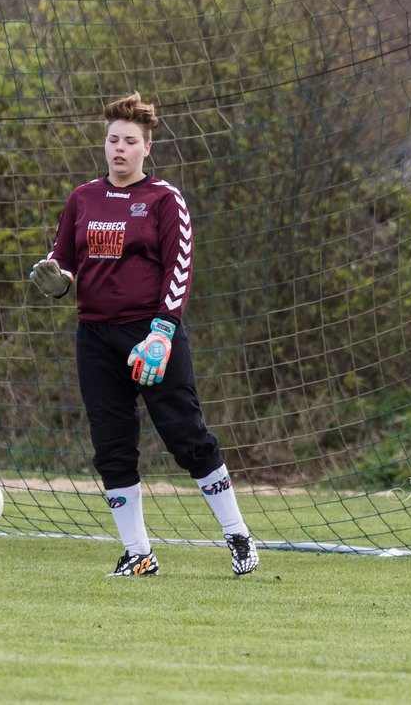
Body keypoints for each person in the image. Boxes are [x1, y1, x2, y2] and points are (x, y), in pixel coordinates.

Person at [29, 91, 258, 578]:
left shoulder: (164, 200)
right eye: (112, 139)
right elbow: (64, 262)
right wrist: (57, 280)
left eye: (129, 140)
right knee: (111, 447)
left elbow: (180, 269)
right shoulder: (82, 198)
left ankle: (238, 534)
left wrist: (162, 332)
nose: (119, 148)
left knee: (187, 439)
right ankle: (139, 553)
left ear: (146, 148)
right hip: (94, 337)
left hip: (151, 336)